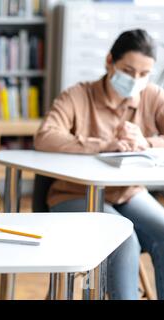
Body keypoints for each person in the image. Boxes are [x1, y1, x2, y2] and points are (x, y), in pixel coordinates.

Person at [35, 29, 164, 300]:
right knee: (123, 239)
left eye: (144, 74)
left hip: (128, 192)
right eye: (128, 71)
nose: (136, 80)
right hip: (74, 194)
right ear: (109, 61)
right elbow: (45, 136)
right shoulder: (77, 96)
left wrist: (145, 142)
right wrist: (104, 144)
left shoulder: (152, 96)